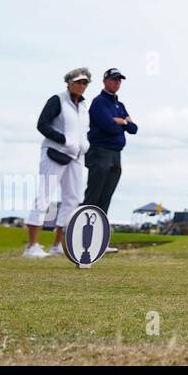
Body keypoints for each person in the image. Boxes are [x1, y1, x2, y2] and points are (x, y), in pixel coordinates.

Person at [24, 68, 91, 258]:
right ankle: (32, 246)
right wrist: (61, 139)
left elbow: (84, 130)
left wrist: (84, 143)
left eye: (85, 83)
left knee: (73, 199)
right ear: (69, 83)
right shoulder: (57, 100)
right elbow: (42, 124)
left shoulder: (84, 107)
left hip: (76, 157)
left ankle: (58, 245)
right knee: (45, 196)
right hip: (55, 153)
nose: (81, 86)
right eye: (78, 82)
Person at [84, 68, 137, 221]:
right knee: (94, 196)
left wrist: (122, 121)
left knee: (106, 197)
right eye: (113, 79)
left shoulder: (119, 105)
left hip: (115, 154)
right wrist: (121, 122)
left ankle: (98, 240)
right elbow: (109, 126)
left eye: (119, 80)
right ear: (105, 81)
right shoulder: (99, 102)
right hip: (100, 151)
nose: (116, 83)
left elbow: (133, 129)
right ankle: (79, 235)